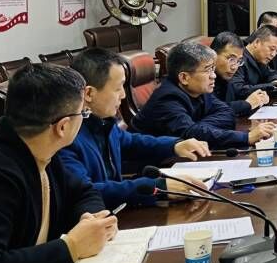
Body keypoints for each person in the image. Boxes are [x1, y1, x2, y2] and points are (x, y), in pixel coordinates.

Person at [0, 64, 118, 263]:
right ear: (63, 127)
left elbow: (83, 191)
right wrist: (72, 247)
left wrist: (90, 218)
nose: (84, 119)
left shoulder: (41, 150)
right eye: (83, 114)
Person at [59, 48, 212, 208]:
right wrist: (158, 187)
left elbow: (131, 142)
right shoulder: (66, 138)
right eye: (118, 88)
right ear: (89, 93)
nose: (123, 95)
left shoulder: (103, 122)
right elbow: (86, 192)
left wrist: (174, 145)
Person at [133, 42, 274, 148]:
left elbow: (227, 113)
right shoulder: (167, 98)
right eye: (207, 70)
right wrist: (246, 138)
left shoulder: (199, 90)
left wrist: (198, 128)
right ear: (184, 78)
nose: (213, 76)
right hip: (151, 166)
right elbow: (190, 136)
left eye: (213, 69)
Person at [211, 31, 270, 118]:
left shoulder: (227, 79)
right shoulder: (204, 79)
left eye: (239, 61)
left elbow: (235, 103)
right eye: (231, 59)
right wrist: (247, 104)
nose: (234, 67)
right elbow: (212, 110)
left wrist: (258, 99)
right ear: (213, 55)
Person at [232, 24, 277, 99]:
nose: (273, 54)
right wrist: (275, 85)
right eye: (271, 49)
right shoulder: (239, 59)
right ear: (257, 42)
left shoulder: (260, 59)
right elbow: (239, 90)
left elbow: (271, 74)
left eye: (276, 51)